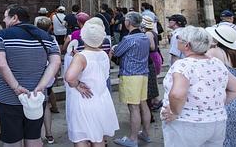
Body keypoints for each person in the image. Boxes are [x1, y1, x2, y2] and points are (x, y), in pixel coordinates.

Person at [160, 26, 236, 147]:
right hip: (217, 122)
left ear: (187, 45)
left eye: (178, 38)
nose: (176, 39)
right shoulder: (216, 62)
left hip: (187, 123)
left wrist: (174, 111)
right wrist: (215, 105)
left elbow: (177, 94)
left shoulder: (183, 65)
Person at [0, 4, 61, 146]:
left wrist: (16, 87)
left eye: (5, 17)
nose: (4, 20)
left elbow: (0, 64)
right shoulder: (47, 37)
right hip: (36, 98)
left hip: (8, 99)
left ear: (14, 18)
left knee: (13, 140)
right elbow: (55, 63)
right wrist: (41, 87)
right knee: (34, 137)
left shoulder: (1, 36)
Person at [65, 17, 119, 146]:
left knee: (81, 137)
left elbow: (69, 77)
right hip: (101, 98)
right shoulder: (104, 55)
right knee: (98, 137)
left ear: (83, 37)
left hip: (84, 99)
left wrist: (77, 84)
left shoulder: (81, 57)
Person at [111, 11, 152, 147]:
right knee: (143, 104)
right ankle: (146, 133)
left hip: (130, 75)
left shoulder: (129, 39)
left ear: (128, 22)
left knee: (133, 108)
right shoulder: (145, 37)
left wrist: (114, 48)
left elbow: (117, 52)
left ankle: (133, 139)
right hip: (143, 73)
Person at [35, 16, 59, 143]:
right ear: (50, 27)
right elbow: (56, 58)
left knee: (33, 105)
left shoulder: (31, 39)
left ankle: (35, 135)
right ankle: (49, 134)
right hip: (47, 74)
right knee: (45, 105)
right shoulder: (52, 39)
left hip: (34, 74)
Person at [142, 16, 162, 112]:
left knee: (152, 80)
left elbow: (152, 46)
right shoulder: (153, 32)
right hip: (155, 56)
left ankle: (156, 101)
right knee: (153, 80)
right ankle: (155, 100)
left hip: (152, 56)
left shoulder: (148, 33)